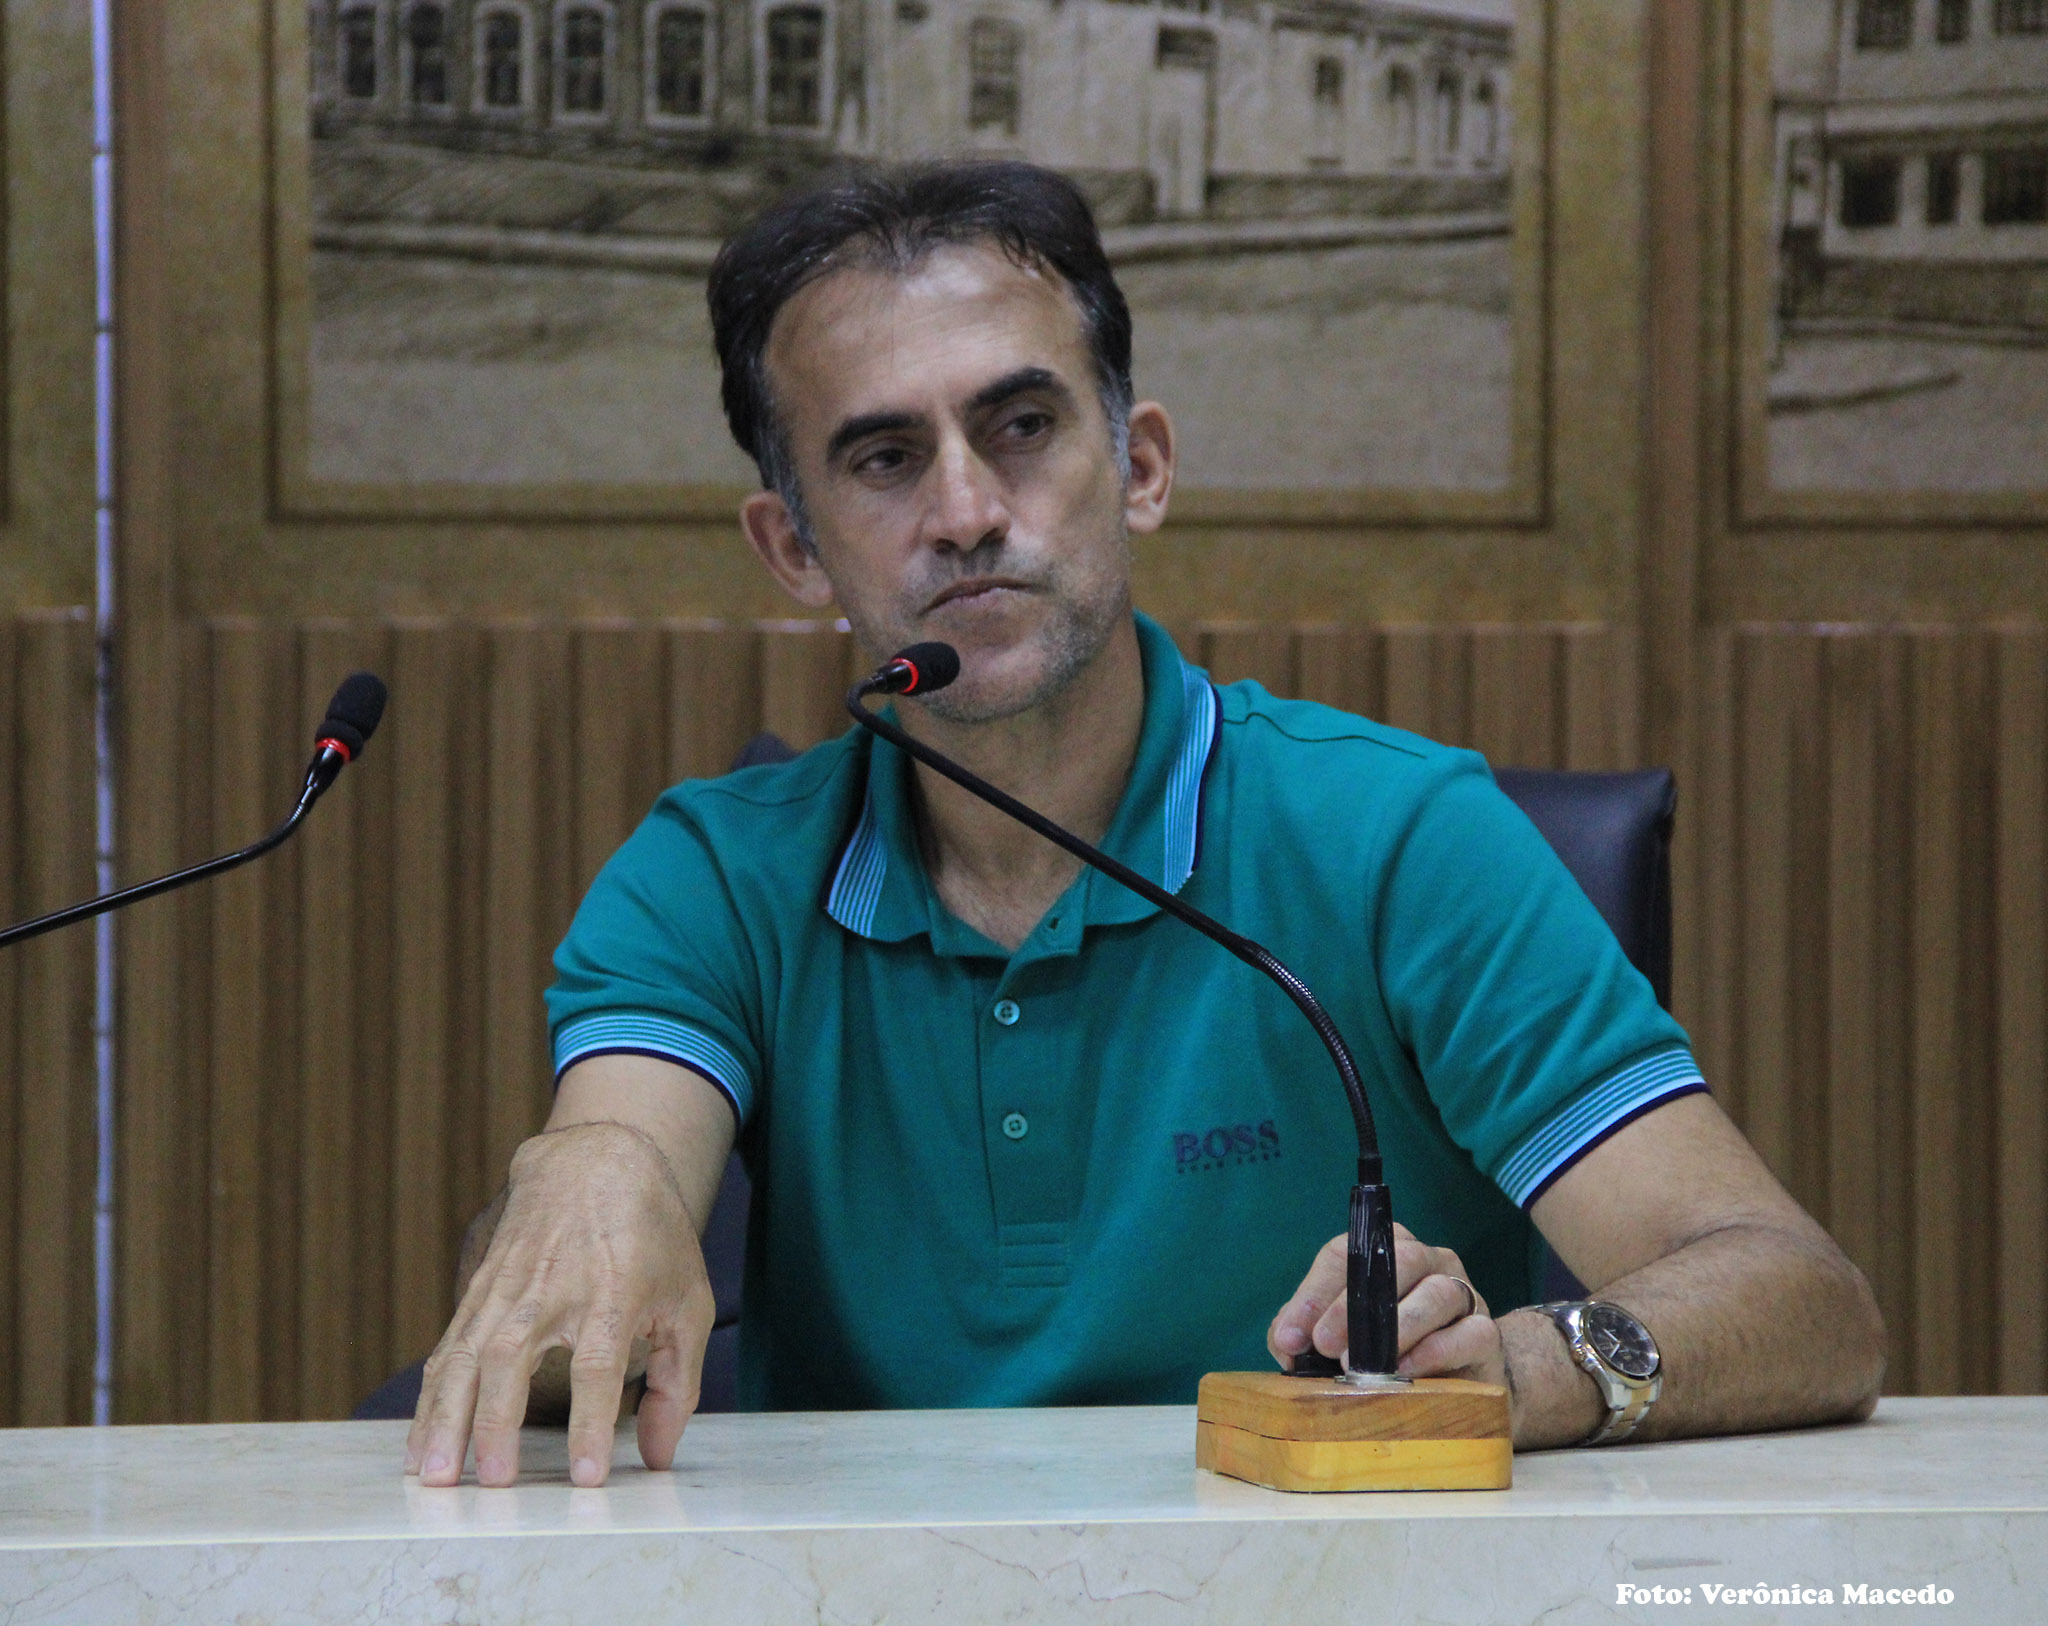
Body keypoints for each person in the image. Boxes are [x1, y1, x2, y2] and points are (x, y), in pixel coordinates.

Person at [406, 161, 1884, 1490]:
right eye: (884, 459)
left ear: (1142, 467)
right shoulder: (715, 877)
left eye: (1022, 426)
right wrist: (583, 1186)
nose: (968, 510)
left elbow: (1802, 1300)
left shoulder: (1398, 839)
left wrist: (1520, 1368)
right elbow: (580, 1301)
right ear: (794, 547)